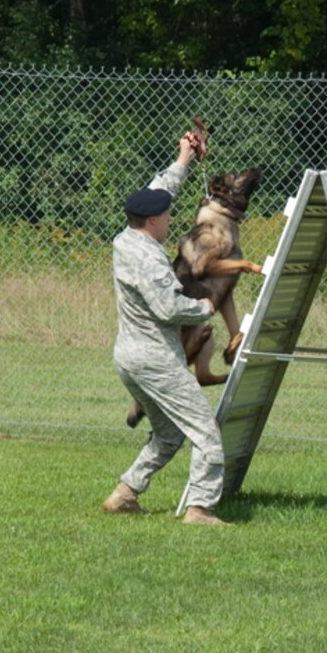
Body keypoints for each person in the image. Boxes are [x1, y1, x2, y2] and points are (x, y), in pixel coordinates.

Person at [102, 127, 229, 524]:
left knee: (168, 434)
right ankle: (199, 508)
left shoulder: (127, 239)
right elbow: (166, 307)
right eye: (167, 214)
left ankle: (125, 493)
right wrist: (204, 307)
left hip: (129, 357)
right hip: (157, 360)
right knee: (205, 431)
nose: (171, 217)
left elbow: (159, 190)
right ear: (154, 220)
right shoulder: (151, 259)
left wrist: (184, 157)